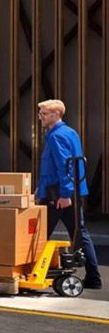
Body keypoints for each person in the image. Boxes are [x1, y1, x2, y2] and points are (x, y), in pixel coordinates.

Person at [36, 99, 102, 289]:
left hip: (59, 194)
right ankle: (94, 278)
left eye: (44, 114)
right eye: (41, 114)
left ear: (56, 115)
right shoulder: (69, 132)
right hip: (65, 192)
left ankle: (35, 271)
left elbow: (66, 166)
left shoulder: (56, 136)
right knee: (80, 233)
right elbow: (57, 166)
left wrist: (65, 194)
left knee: (40, 233)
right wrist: (40, 188)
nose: (41, 117)